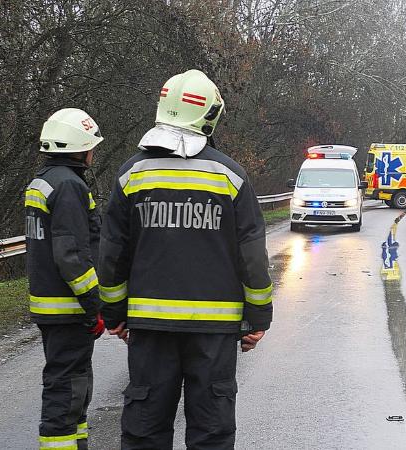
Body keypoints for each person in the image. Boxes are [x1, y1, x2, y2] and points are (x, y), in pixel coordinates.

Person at [97, 69, 273, 449]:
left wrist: (114, 314)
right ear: (210, 114)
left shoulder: (131, 174)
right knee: (211, 432)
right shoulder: (230, 177)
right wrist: (258, 318)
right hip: (215, 333)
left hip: (150, 330)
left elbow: (112, 254)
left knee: (145, 430)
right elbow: (253, 258)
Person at [25, 108, 105, 450]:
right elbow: (71, 256)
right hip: (69, 308)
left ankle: (77, 444)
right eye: (91, 145)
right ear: (79, 147)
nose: (93, 152)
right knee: (67, 387)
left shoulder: (41, 182)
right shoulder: (69, 186)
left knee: (74, 385)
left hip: (50, 306)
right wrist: (93, 306)